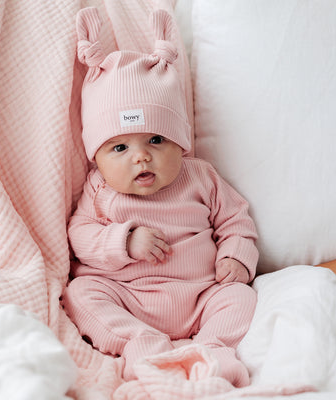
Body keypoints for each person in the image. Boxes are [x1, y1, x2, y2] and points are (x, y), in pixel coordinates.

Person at [62, 8, 259, 385]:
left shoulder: (200, 176)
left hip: (200, 296)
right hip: (127, 297)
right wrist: (122, 241)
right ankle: (143, 344)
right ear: (96, 157)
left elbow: (236, 219)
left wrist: (236, 255)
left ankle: (212, 347)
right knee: (81, 293)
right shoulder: (99, 189)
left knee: (240, 297)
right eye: (119, 148)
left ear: (180, 142)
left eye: (156, 139)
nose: (141, 156)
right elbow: (80, 234)